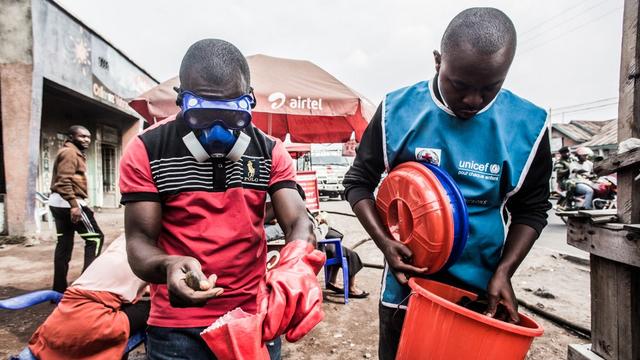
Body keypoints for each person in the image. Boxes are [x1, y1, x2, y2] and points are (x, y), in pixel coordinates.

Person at [343, 8, 552, 359]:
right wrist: (384, 243)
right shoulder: (398, 110)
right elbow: (358, 182)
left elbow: (532, 209)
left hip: (480, 294)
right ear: (438, 61)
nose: (473, 100)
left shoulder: (528, 126)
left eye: (490, 88)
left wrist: (504, 271)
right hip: (407, 290)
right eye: (460, 85)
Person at [120, 39, 318, 360]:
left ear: (249, 100)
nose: (217, 130)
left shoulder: (269, 150)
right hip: (176, 327)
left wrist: (295, 265)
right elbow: (139, 242)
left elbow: (298, 220)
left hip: (253, 316)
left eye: (231, 115)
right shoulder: (146, 149)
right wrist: (168, 265)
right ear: (181, 101)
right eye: (201, 115)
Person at [26, 234, 149, 360]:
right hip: (91, 323)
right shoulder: (153, 246)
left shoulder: (122, 242)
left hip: (58, 323)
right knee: (153, 309)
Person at [264, 187, 369, 298]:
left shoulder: (284, 217)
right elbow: (315, 235)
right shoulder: (293, 221)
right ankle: (350, 287)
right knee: (349, 254)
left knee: (339, 247)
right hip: (316, 247)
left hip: (317, 244)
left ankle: (332, 281)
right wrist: (323, 223)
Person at [49, 125, 104, 293]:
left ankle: (58, 290)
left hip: (58, 203)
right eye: (82, 137)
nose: (87, 140)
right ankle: (86, 287)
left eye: (88, 137)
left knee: (64, 244)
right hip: (70, 204)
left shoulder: (70, 151)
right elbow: (63, 181)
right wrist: (74, 205)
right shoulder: (70, 153)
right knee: (95, 238)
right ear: (71, 137)